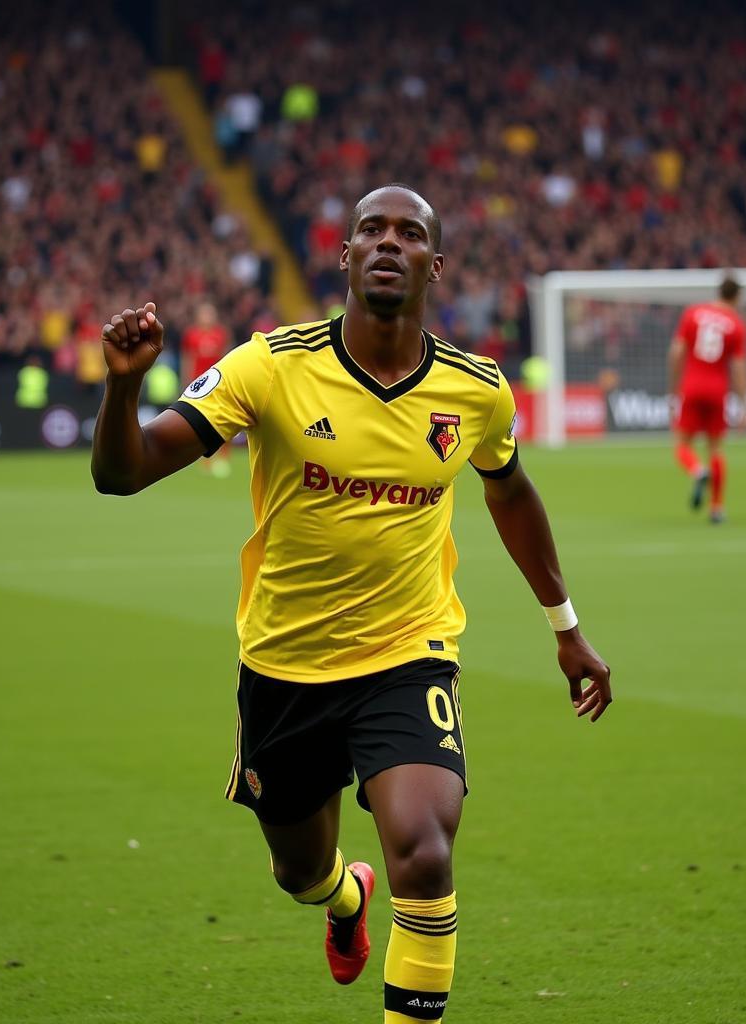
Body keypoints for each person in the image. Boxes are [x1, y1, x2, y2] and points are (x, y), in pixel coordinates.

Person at [91, 184, 613, 1024]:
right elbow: (123, 473)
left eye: (409, 234)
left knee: (426, 854)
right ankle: (344, 898)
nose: (387, 243)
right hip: (284, 667)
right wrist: (121, 388)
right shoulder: (271, 365)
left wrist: (567, 628)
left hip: (408, 657)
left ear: (434, 266)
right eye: (370, 229)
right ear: (344, 256)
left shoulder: (476, 392)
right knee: (300, 872)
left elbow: (511, 492)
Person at [667, 275, 746, 524]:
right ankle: (716, 508)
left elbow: (676, 352)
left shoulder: (693, 312)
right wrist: (744, 404)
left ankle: (697, 470)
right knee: (715, 448)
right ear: (737, 297)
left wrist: (674, 388)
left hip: (692, 385)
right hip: (717, 389)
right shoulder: (736, 324)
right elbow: (738, 367)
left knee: (682, 445)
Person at [181, 301, 232, 476]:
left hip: (218, 383)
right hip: (199, 385)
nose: (207, 317)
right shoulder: (192, 335)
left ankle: (224, 458)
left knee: (224, 420)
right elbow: (188, 359)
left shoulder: (220, 334)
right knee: (201, 424)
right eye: (204, 313)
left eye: (210, 313)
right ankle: (205, 459)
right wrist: (187, 380)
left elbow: (228, 358)